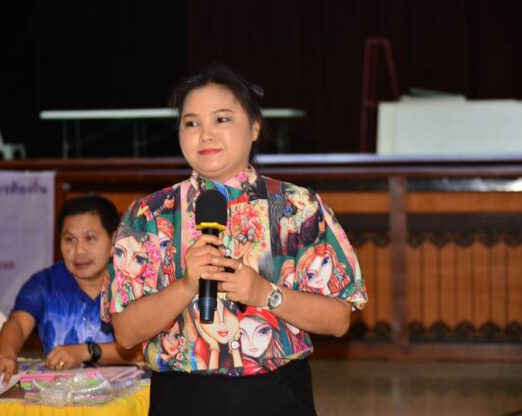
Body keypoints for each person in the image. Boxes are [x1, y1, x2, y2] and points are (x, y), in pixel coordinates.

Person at [101, 65, 368, 415]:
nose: (205, 135)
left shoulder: (298, 207)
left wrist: (265, 294)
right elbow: (125, 333)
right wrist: (186, 285)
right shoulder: (149, 214)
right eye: (191, 123)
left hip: (277, 395)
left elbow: (338, 320)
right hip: (181, 398)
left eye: (222, 119)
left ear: (254, 127)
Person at [0, 194, 141, 386]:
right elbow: (17, 323)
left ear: (114, 239)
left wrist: (85, 351)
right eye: (69, 240)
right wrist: (6, 356)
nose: (79, 251)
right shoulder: (45, 284)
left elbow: (144, 352)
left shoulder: (135, 283)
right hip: (59, 396)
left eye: (90, 238)